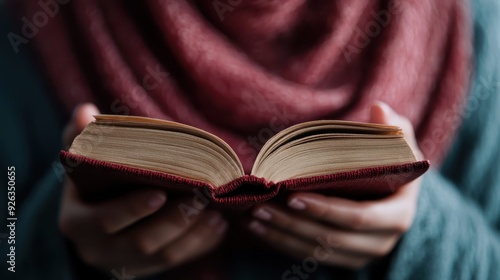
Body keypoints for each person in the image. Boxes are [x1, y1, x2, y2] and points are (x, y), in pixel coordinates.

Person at [1, 0, 499, 279]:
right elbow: (8, 254)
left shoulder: (473, 30)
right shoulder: (30, 28)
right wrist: (58, 246)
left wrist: (419, 229)